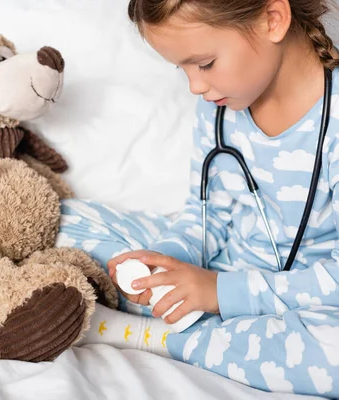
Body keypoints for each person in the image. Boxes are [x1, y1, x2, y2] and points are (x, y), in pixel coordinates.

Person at [60, 0, 339, 396]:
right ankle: (184, 313)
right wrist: (166, 261)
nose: (195, 86)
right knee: (59, 219)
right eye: (183, 69)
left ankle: (156, 335)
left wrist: (220, 293)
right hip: (224, 263)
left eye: (204, 64)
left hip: (307, 299)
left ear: (273, 19)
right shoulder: (220, 106)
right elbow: (207, 214)